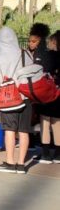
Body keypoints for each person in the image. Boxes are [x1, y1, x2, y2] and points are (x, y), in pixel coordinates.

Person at [0, 27, 33, 174]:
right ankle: (21, 164)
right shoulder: (25, 54)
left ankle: (10, 162)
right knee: (24, 131)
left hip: (7, 100)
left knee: (10, 131)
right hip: (26, 97)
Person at [37, 31, 60, 163]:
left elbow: (42, 71)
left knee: (45, 121)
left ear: (54, 42)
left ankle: (45, 153)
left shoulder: (48, 56)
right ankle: (58, 153)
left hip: (48, 92)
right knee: (57, 123)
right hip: (59, 93)